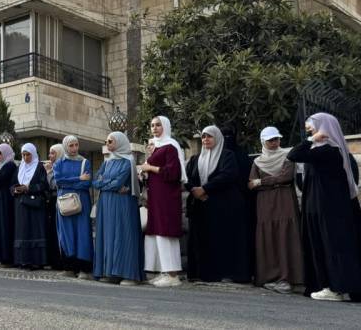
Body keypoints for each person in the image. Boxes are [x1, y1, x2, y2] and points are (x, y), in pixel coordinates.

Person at [288, 113, 361, 302]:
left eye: (313, 127)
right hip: (316, 208)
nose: (310, 131)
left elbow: (293, 154)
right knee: (320, 247)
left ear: (325, 128)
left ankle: (337, 288)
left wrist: (312, 140)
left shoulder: (329, 151)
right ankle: (327, 285)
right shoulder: (319, 151)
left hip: (328, 209)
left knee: (332, 247)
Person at [184, 125, 251, 283]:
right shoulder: (195, 159)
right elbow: (187, 178)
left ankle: (226, 273)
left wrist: (205, 189)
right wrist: (195, 190)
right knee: (202, 241)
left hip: (223, 206)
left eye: (209, 136)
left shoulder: (227, 156)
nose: (206, 139)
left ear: (217, 138)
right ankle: (202, 273)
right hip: (201, 206)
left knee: (223, 241)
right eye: (203, 137)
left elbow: (228, 175)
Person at [249, 126, 304, 293]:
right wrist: (272, 181)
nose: (274, 143)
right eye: (270, 140)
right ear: (263, 142)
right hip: (265, 204)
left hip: (284, 200)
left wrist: (262, 182)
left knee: (285, 236)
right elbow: (250, 183)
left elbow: (287, 177)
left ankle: (289, 278)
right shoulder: (258, 161)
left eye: (276, 139)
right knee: (270, 238)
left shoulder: (288, 155)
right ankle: (270, 277)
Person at [138, 115, 187, 288]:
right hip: (156, 196)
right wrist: (144, 171)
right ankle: (164, 271)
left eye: (158, 125)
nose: (155, 128)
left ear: (165, 126)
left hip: (166, 197)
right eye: (152, 125)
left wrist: (150, 167)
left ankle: (172, 274)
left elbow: (173, 173)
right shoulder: (156, 147)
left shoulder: (170, 146)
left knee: (165, 232)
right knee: (157, 232)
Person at [93, 132, 144, 285]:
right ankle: (110, 272)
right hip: (106, 203)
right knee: (108, 235)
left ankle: (128, 274)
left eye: (110, 141)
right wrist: (109, 183)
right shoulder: (107, 162)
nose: (107, 143)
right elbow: (95, 181)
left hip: (123, 204)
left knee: (123, 235)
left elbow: (117, 182)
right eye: (106, 141)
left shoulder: (128, 161)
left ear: (120, 142)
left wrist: (105, 182)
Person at [53, 136, 93, 278]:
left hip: (81, 202)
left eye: (76, 145)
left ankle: (84, 269)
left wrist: (70, 183)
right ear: (65, 146)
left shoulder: (84, 162)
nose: (74, 148)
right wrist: (77, 179)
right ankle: (69, 268)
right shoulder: (59, 163)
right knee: (66, 233)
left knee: (82, 233)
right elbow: (59, 181)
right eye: (71, 145)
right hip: (64, 203)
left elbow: (86, 184)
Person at [13, 143, 49, 270]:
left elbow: (44, 185)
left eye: (28, 154)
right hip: (21, 205)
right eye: (23, 154)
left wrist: (28, 188)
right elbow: (12, 184)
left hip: (35, 206)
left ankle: (37, 261)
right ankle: (23, 260)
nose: (25, 157)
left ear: (33, 154)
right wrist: (15, 190)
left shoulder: (39, 167)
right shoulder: (19, 167)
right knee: (23, 231)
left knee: (35, 231)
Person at [43, 145, 64, 270]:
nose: (50, 156)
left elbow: (54, 184)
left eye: (53, 153)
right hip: (51, 201)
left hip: (59, 200)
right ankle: (52, 259)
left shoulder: (60, 166)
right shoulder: (52, 167)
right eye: (50, 153)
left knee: (58, 231)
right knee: (51, 230)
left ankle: (59, 261)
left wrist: (50, 172)